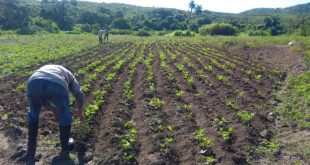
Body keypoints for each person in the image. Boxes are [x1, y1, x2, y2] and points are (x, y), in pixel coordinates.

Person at [25, 64, 85, 165]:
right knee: (65, 116)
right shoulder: (70, 76)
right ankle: (65, 151)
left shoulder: (46, 69)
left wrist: (53, 109)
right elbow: (79, 94)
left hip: (33, 82)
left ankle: (30, 155)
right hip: (56, 84)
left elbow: (42, 96)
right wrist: (80, 111)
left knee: (33, 115)